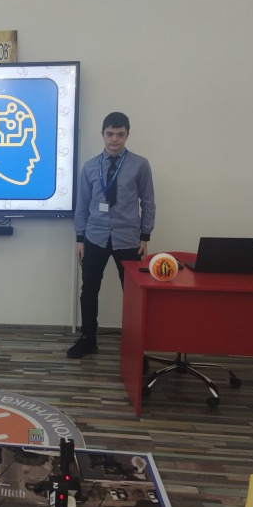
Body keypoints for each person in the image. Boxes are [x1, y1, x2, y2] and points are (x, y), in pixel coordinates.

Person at [68, 112, 155, 358]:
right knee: (89, 290)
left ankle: (135, 347)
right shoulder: (90, 166)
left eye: (120, 134)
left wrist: (145, 236)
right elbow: (82, 205)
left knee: (134, 294)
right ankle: (88, 339)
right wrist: (80, 238)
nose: (114, 139)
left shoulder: (140, 165)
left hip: (128, 239)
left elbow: (148, 202)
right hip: (95, 237)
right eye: (110, 134)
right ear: (102, 134)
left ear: (127, 135)